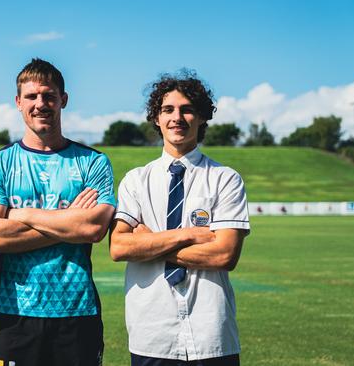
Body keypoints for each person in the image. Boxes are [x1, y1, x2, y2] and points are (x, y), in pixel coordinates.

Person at [0, 58, 116, 366]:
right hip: (13, 312)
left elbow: (92, 229)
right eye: (32, 96)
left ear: (63, 99)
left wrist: (21, 214)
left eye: (49, 95)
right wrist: (69, 223)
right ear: (18, 102)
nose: (41, 104)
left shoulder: (93, 162)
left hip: (77, 310)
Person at [109, 71, 250, 366]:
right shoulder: (136, 180)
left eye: (187, 109)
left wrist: (149, 242)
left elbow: (224, 254)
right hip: (152, 333)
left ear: (201, 118)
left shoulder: (225, 179)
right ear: (157, 119)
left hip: (212, 333)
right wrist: (188, 235)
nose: (177, 117)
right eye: (167, 110)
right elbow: (119, 247)